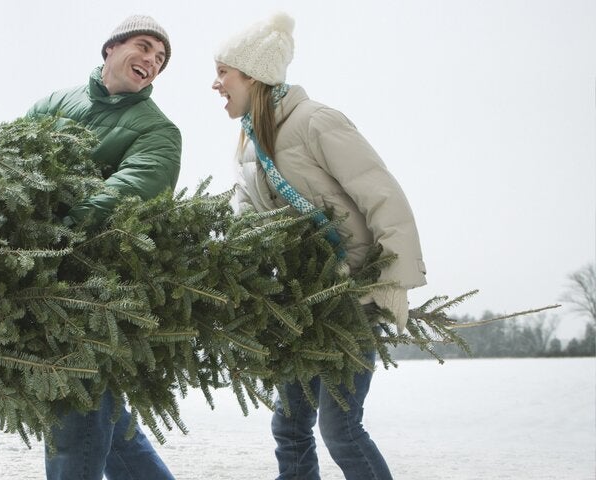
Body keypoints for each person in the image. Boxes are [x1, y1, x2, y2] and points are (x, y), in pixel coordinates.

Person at [211, 12, 426, 480]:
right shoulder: (248, 144)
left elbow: (382, 195)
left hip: (353, 295)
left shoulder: (315, 122)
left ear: (253, 75)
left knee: (341, 428)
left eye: (223, 71)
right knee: (289, 425)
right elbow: (249, 221)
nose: (215, 83)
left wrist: (393, 280)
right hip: (302, 302)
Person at [26, 14, 181, 480]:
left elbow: (131, 191)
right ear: (111, 48)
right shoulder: (53, 103)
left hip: (93, 293)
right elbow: (5, 167)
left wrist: (60, 229)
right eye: (144, 46)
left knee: (75, 419)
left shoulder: (158, 131)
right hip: (35, 284)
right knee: (108, 428)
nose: (151, 61)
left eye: (160, 59)